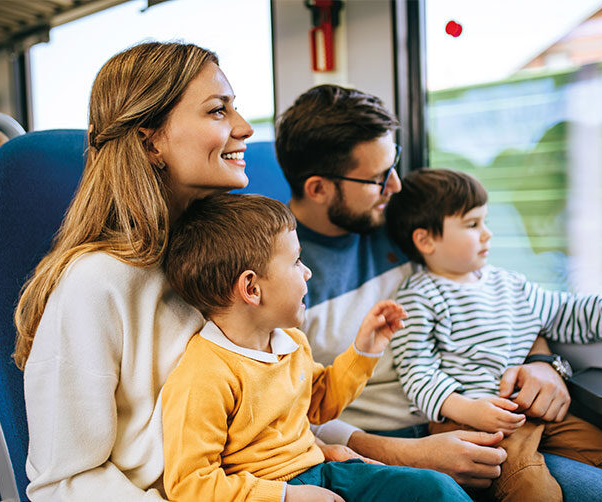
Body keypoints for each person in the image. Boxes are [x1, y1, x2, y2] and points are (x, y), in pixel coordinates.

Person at [274, 83, 602, 500]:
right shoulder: (282, 272)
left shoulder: (408, 223)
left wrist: (543, 361)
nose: (396, 185)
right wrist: (405, 453)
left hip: (486, 405)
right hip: (383, 444)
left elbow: (491, 293)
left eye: (394, 163)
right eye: (379, 177)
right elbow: (290, 413)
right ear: (318, 188)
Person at [12, 42, 256, 500]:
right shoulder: (95, 285)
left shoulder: (229, 259)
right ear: (151, 142)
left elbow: (273, 389)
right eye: (218, 111)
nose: (244, 128)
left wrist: (356, 448)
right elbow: (64, 482)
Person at [161, 193, 470, 502]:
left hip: (323, 471)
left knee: (436, 489)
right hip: (269, 492)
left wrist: (364, 351)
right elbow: (191, 484)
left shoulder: (291, 341)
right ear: (252, 289)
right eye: (296, 261)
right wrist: (287, 496)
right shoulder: (204, 375)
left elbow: (319, 402)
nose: (307, 271)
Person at [385, 168, 602, 501]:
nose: (487, 234)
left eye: (485, 221)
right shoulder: (419, 296)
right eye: (473, 225)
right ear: (426, 240)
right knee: (532, 491)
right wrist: (465, 408)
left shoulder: (511, 285)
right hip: (471, 423)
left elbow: (569, 313)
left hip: (530, 411)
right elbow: (416, 370)